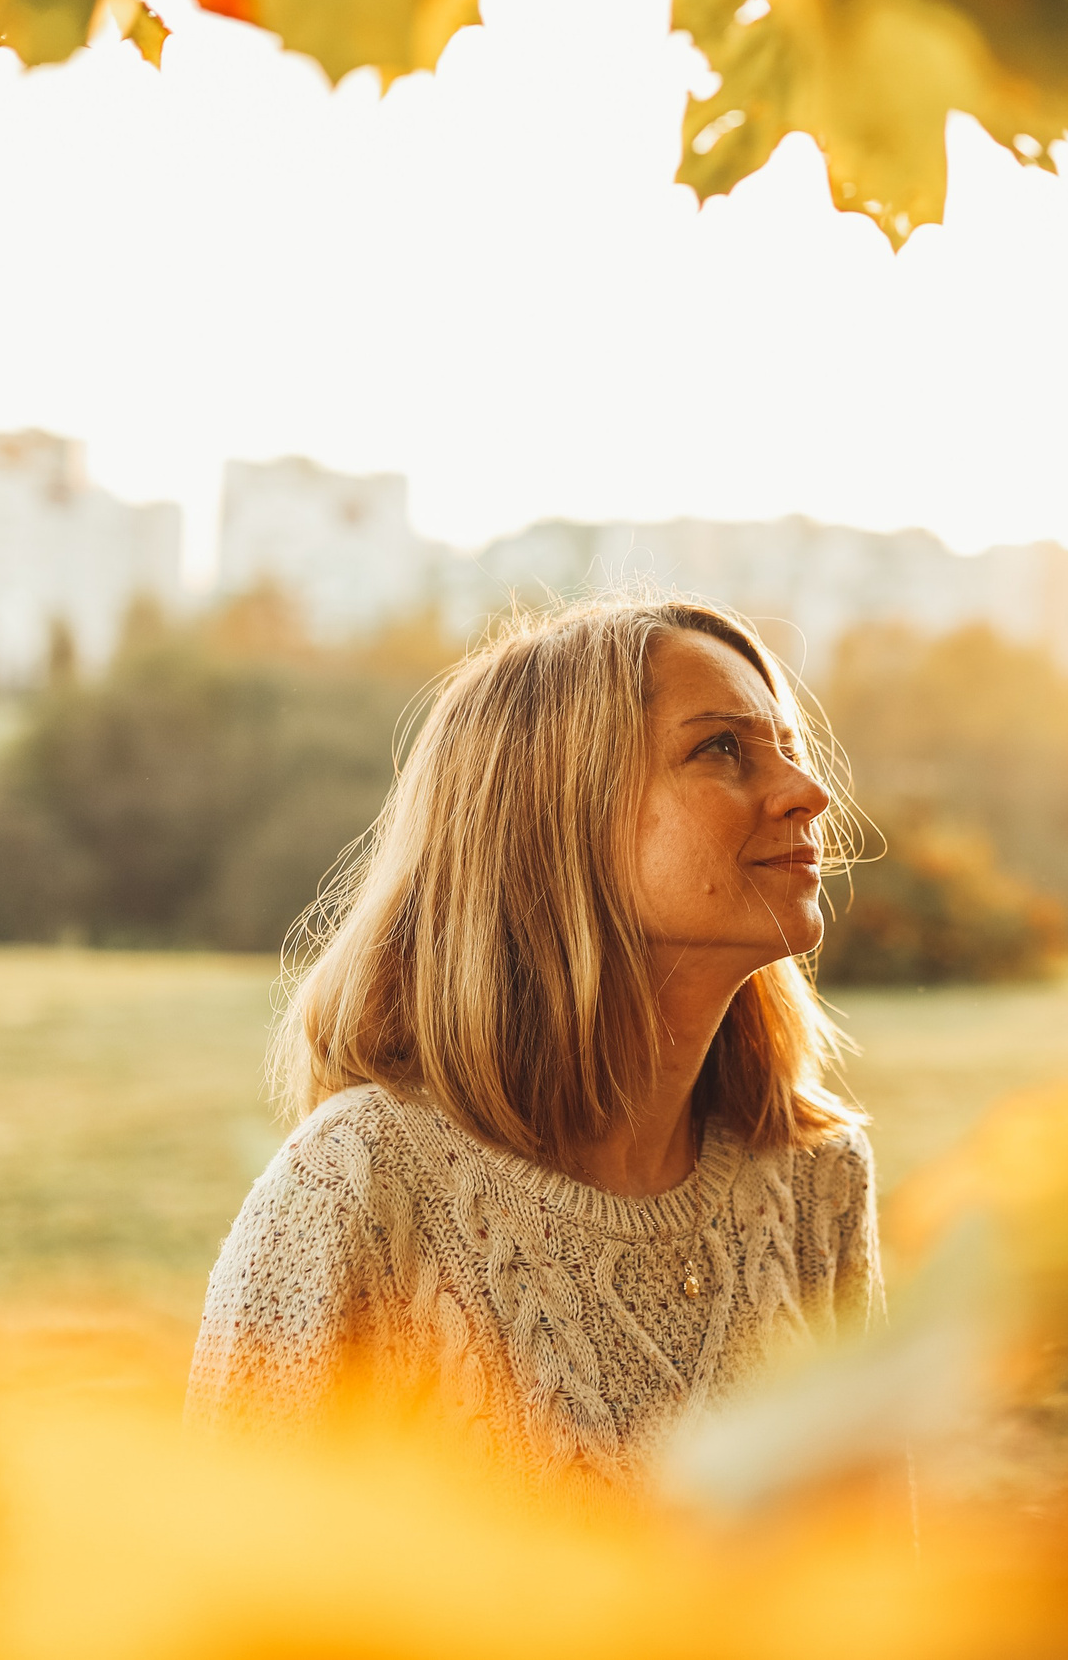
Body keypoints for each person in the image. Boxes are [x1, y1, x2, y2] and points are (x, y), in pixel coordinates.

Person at [186, 597, 879, 1493]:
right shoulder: (357, 1185)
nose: (809, 791)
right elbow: (228, 1565)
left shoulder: (818, 1179)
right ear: (556, 817)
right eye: (722, 748)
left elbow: (878, 1557)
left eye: (787, 746)